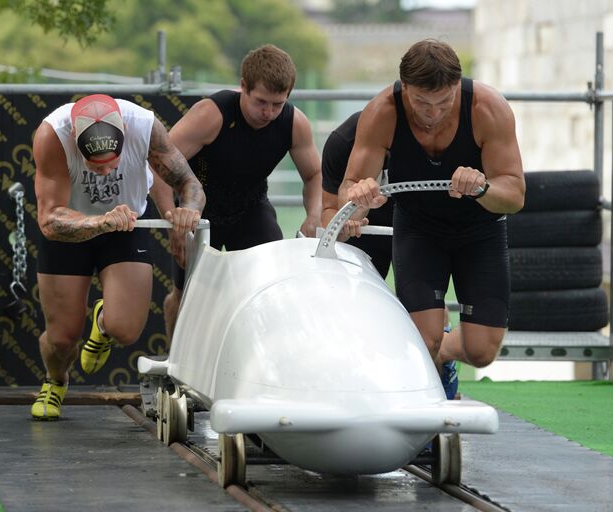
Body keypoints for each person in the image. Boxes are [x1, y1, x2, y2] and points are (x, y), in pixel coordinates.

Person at [342, 39, 525, 399]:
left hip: (480, 231)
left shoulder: (488, 108)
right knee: (421, 341)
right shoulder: (382, 111)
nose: (432, 113)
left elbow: (516, 196)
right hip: (419, 229)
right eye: (422, 102)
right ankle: (428, 407)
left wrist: (482, 187)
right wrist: (360, 197)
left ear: (458, 86)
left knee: (481, 352)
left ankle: (446, 354)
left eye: (444, 102)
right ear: (405, 88)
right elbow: (351, 187)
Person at [31, 94, 205, 420]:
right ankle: (55, 380)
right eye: (96, 166)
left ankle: (103, 322)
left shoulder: (144, 126)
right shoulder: (52, 134)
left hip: (125, 226)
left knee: (125, 329)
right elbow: (49, 219)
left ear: (124, 133)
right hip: (71, 228)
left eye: (113, 161)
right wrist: (98, 221)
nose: (106, 170)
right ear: (75, 142)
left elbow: (191, 184)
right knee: (62, 338)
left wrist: (187, 213)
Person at [162, 44, 322, 342]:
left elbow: (313, 175)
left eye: (278, 104)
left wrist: (313, 215)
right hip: (198, 212)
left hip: (250, 209)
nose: (269, 113)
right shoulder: (211, 114)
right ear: (243, 88)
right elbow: (159, 163)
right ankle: (175, 368)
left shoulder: (294, 123)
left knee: (272, 286)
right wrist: (172, 219)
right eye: (261, 102)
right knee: (187, 296)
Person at [321, 111, 393, 279]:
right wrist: (344, 225)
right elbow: (329, 213)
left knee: (421, 300)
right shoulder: (342, 141)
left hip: (412, 223)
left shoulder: (423, 135)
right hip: (362, 229)